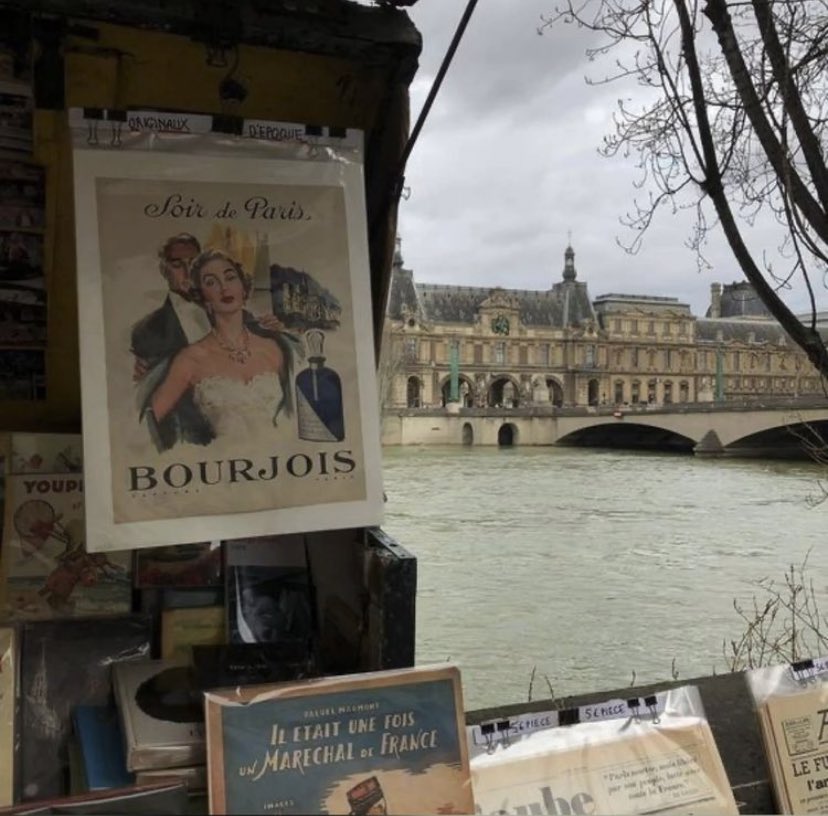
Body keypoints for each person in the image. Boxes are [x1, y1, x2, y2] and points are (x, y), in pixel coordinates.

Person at [148, 249, 296, 442]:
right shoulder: (190, 358)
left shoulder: (272, 349)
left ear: (244, 289)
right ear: (203, 298)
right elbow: (148, 423)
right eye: (211, 282)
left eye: (230, 278)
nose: (223, 288)